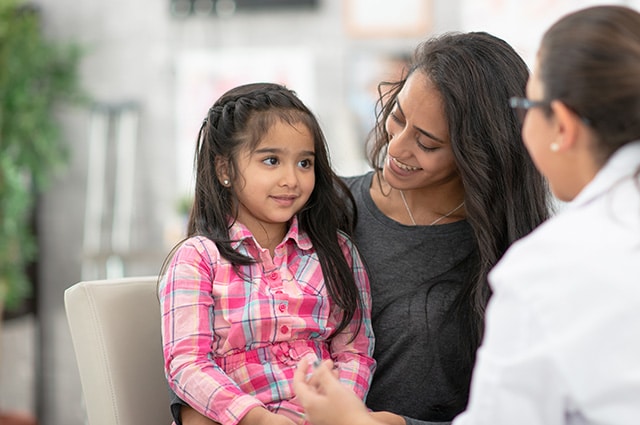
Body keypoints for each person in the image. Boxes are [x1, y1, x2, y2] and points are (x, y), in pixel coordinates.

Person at [293, 5, 640, 425]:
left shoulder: (548, 260)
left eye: (528, 107)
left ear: (563, 126)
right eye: (397, 116)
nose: (397, 146)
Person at [175, 31, 553, 425]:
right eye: (399, 117)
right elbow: (200, 337)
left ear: (479, 152)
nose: (398, 146)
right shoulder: (314, 206)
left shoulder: (515, 253)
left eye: (426, 143)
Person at [159, 82, 375, 425]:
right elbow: (187, 364)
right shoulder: (197, 259)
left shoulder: (338, 252)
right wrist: (256, 419)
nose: (292, 178)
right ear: (224, 169)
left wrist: (336, 411)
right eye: (271, 160)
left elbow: (355, 352)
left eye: (305, 163)